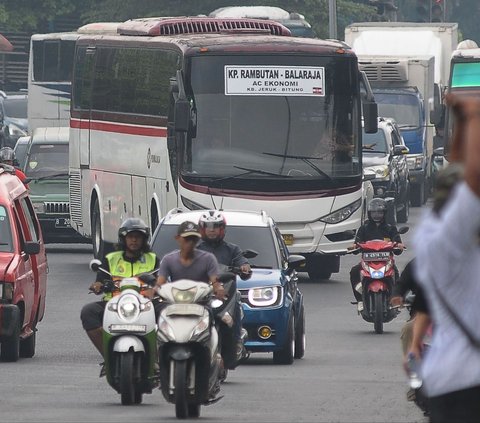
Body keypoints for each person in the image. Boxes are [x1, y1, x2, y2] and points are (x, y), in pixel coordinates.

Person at [412, 93, 480, 422]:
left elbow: (456, 175)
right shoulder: (447, 242)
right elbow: (472, 178)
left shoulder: (433, 232)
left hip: (451, 383)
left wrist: (463, 122)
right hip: (467, 386)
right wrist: (475, 116)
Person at [80, 218, 158, 357]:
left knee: (168, 313)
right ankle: (108, 355)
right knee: (88, 312)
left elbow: (162, 281)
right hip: (115, 305)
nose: (134, 240)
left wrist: (157, 287)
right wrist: (98, 286)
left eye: (138, 237)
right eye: (130, 237)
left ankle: (157, 358)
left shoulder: (153, 259)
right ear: (123, 239)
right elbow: (100, 281)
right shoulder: (111, 259)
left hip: (146, 305)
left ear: (144, 239)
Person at [196, 210, 251, 368]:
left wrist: (244, 267)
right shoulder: (195, 249)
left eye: (216, 226)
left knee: (233, 313)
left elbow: (242, 261)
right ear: (202, 229)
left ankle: (234, 347)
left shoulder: (232, 249)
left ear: (223, 229)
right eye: (208, 226)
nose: (212, 230)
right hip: (200, 294)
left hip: (224, 294)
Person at [349, 197, 404, 312]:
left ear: (384, 213)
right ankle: (360, 300)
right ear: (369, 213)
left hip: (386, 261)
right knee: (354, 271)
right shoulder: (364, 229)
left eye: (379, 212)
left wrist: (399, 245)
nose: (376, 215)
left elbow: (398, 246)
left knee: (397, 274)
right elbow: (356, 244)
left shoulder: (391, 229)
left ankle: (396, 300)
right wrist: (354, 246)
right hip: (368, 262)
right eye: (374, 212)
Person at [154, 220, 225, 299]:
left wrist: (218, 288)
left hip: (202, 303)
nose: (191, 242)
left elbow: (215, 282)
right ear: (177, 238)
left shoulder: (208, 259)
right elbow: (160, 283)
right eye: (187, 239)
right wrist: (153, 291)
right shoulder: (168, 260)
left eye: (194, 239)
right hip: (175, 303)